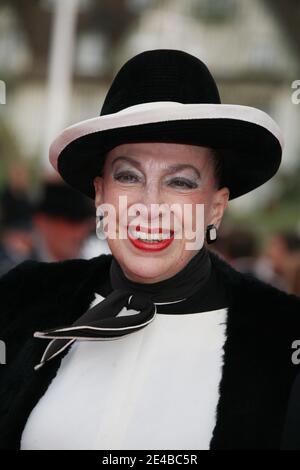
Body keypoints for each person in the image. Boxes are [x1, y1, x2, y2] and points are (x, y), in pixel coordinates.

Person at [0, 49, 299, 450]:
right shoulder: (21, 300)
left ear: (216, 206)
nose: (149, 206)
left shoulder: (282, 335)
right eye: (128, 176)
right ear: (100, 192)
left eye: (181, 182)